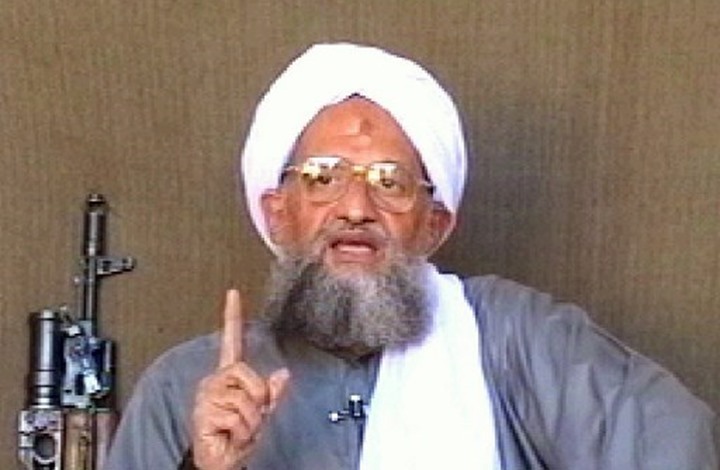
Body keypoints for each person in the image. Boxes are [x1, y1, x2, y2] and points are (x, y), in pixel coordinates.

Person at [105, 43, 717, 470]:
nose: (355, 208)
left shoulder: (515, 338)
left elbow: (675, 444)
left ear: (434, 225)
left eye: (390, 181)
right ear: (277, 212)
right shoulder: (186, 387)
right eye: (323, 177)